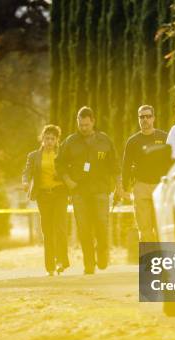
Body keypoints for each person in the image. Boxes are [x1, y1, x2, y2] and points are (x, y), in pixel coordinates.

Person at [55, 106, 121, 275]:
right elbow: (59, 164)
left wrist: (119, 187)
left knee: (101, 225)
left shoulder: (104, 140)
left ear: (93, 122)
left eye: (86, 124)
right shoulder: (70, 142)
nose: (83, 128)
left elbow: (114, 166)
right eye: (80, 124)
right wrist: (68, 181)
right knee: (84, 229)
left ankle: (102, 252)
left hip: (100, 190)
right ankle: (89, 264)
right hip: (79, 192)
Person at [22, 125, 70, 276]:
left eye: (52, 139)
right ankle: (50, 266)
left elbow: (70, 169)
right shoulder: (33, 156)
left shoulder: (62, 154)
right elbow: (27, 171)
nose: (49, 141)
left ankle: (61, 261)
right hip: (43, 196)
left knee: (60, 228)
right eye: (47, 138)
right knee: (47, 230)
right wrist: (25, 181)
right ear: (42, 139)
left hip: (60, 193)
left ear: (57, 140)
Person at [122, 105, 168, 242]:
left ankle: (162, 261)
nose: (145, 119)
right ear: (138, 119)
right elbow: (126, 165)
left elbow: (171, 161)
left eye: (148, 116)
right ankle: (148, 262)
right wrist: (125, 187)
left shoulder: (164, 137)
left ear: (153, 118)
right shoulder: (133, 141)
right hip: (141, 187)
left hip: (161, 187)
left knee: (161, 228)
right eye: (142, 117)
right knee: (145, 229)